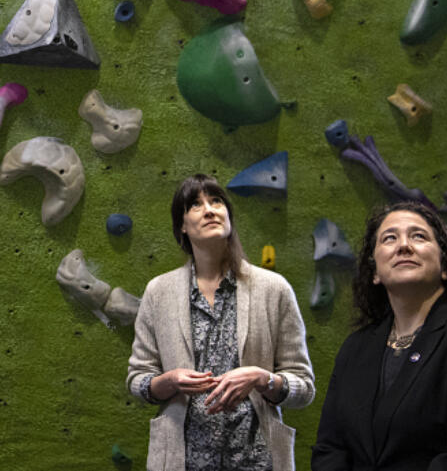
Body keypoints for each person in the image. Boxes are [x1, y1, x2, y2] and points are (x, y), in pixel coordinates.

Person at [312, 200, 447, 470]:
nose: (404, 245)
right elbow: (329, 448)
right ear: (375, 272)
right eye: (389, 238)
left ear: (445, 266)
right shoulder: (355, 347)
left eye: (419, 236)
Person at [127, 174, 315, 471]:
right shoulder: (158, 292)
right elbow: (138, 380)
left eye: (216, 201)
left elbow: (303, 387)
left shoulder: (273, 288)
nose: (210, 209)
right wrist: (169, 381)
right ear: (182, 226)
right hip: (181, 461)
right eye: (196, 204)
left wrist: (261, 378)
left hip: (257, 461)